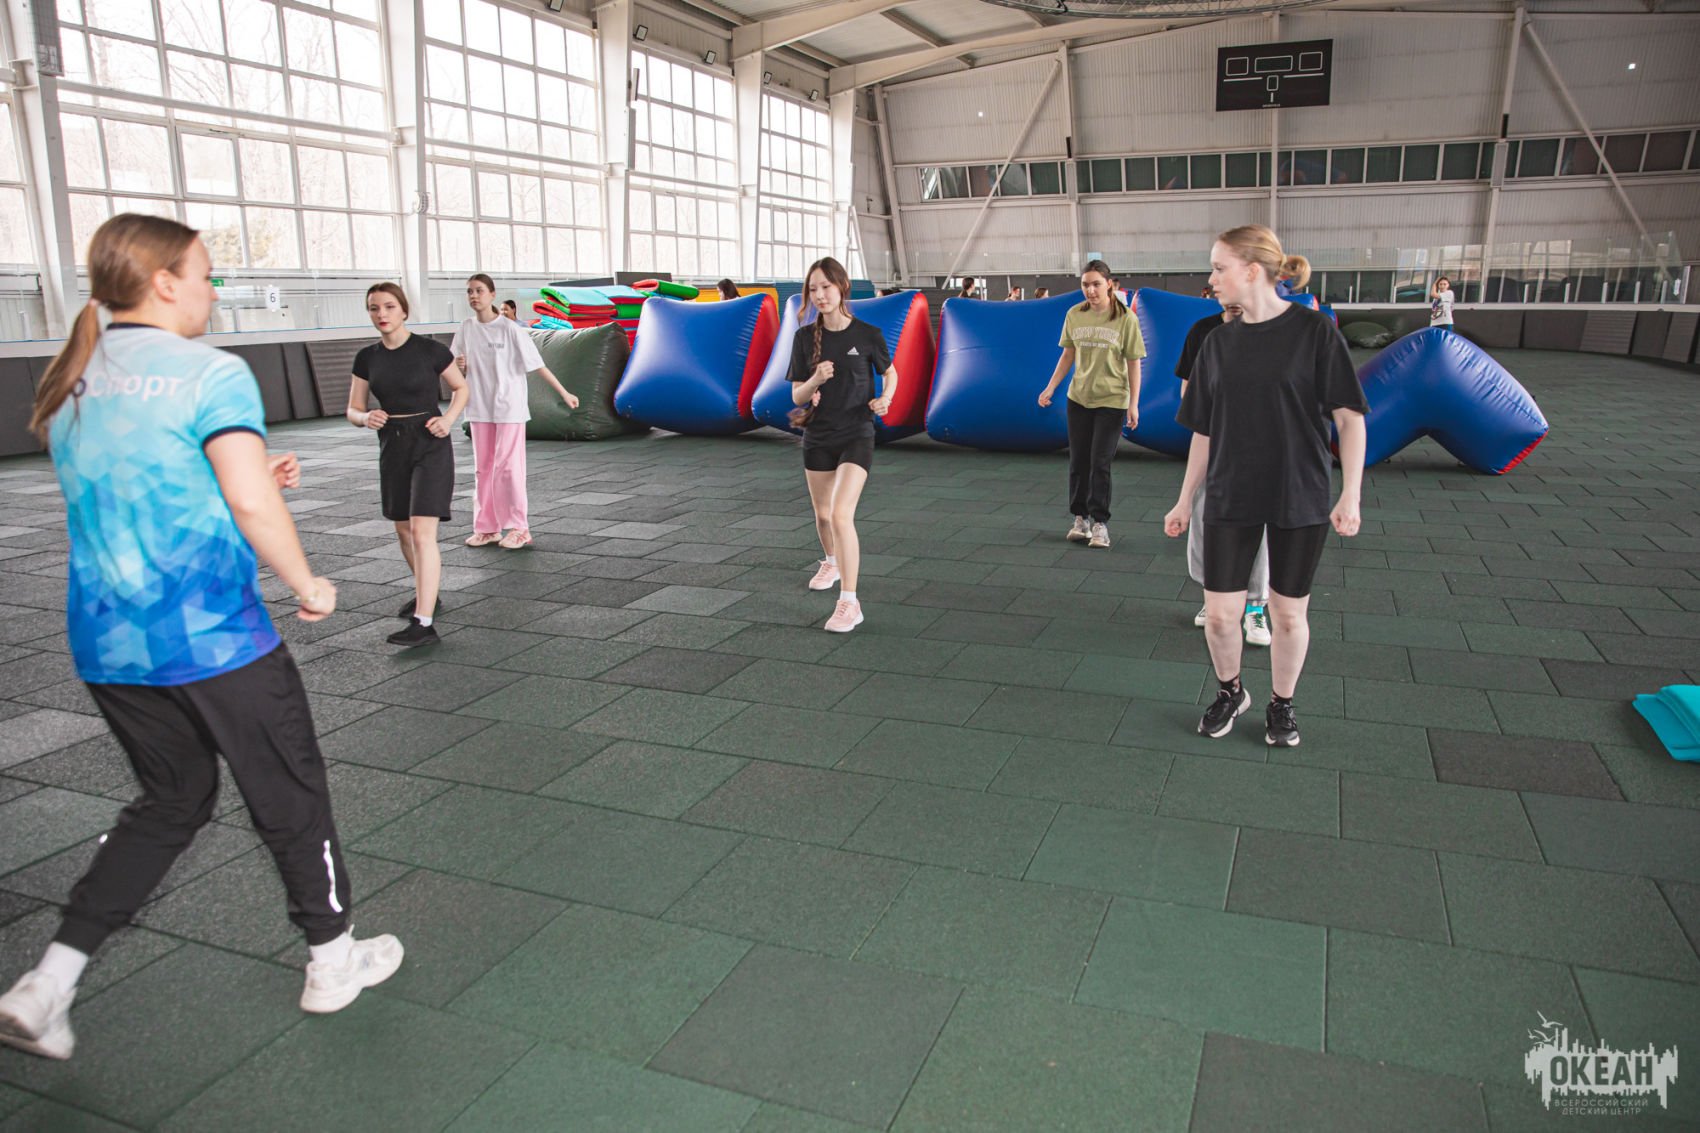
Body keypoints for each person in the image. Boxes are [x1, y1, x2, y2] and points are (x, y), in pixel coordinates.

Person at [0, 215, 402, 1062]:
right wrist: (308, 582)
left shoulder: (74, 376)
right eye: (206, 275)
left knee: (172, 800)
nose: (213, 291)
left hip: (109, 644)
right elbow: (251, 503)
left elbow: (142, 492)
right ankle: (332, 958)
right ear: (164, 282)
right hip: (214, 638)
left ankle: (49, 981)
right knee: (290, 790)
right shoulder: (210, 372)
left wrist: (245, 479)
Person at [1164, 225, 1367, 747]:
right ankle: (1231, 692)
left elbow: (1349, 419)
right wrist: (1184, 499)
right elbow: (1204, 431)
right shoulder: (1215, 344)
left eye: (1219, 268)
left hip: (1298, 492)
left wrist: (1351, 494)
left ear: (1252, 271)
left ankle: (1282, 703)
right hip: (1230, 492)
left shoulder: (1315, 332)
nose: (1212, 280)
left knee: (1287, 613)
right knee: (1220, 617)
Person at [349, 283, 469, 648]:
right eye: (374, 308)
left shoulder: (431, 350)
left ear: (404, 310)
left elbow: (461, 389)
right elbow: (353, 408)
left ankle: (424, 622)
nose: (381, 314)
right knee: (403, 530)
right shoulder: (366, 358)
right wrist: (364, 417)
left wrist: (448, 419)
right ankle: (428, 594)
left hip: (430, 442)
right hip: (392, 444)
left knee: (421, 532)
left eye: (389, 306)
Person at [787, 256, 898, 633]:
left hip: (857, 433)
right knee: (822, 516)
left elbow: (890, 373)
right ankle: (831, 562)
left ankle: (850, 602)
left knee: (839, 515)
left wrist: (886, 399)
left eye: (826, 287)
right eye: (813, 289)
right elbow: (797, 396)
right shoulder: (804, 338)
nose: (820, 295)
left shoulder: (867, 334)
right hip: (818, 435)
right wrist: (815, 380)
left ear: (842, 287)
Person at [454, 273, 578, 550]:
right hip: (479, 407)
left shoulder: (510, 329)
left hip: (508, 408)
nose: (474, 296)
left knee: (508, 468)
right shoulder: (465, 328)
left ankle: (520, 528)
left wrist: (564, 393)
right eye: (470, 291)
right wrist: (460, 366)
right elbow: (456, 367)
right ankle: (487, 528)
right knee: (483, 469)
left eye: (479, 290)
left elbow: (537, 365)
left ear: (492, 294)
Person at [1175, 296, 1271, 648]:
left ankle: (1255, 606)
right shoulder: (1204, 332)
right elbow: (1188, 388)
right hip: (1214, 441)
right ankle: (1213, 595)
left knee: (1258, 526)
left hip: (1262, 446)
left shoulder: (1273, 333)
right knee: (1204, 521)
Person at [1038, 259, 1144, 550]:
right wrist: (1050, 387)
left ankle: (1100, 524)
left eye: (1096, 284)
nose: (1091, 290)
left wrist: (1133, 404)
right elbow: (1067, 355)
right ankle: (1080, 519)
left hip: (1112, 401)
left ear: (1109, 284)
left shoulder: (1126, 319)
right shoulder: (1074, 314)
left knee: (1100, 462)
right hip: (1078, 399)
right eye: (1085, 284)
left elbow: (1134, 363)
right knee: (1078, 461)